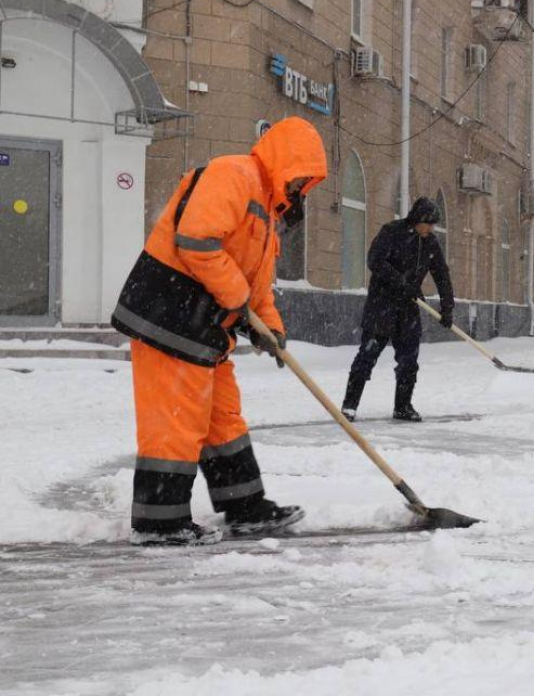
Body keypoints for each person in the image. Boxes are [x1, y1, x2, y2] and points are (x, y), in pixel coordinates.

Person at [110, 116, 328, 545]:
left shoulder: (267, 211)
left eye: (308, 180)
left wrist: (270, 329)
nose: (302, 186)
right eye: (300, 174)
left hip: (204, 329)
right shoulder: (234, 174)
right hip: (169, 317)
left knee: (222, 419)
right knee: (176, 423)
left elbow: (255, 285)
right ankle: (160, 523)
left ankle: (245, 507)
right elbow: (196, 241)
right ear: (284, 160)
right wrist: (237, 301)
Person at [341, 197, 455, 423]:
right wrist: (402, 283)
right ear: (418, 219)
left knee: (409, 361)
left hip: (408, 309)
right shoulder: (392, 231)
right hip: (381, 306)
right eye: (429, 224)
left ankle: (403, 407)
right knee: (367, 357)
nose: (432, 229)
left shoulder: (430, 242)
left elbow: (441, 274)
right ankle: (349, 406)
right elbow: (375, 261)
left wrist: (447, 307)